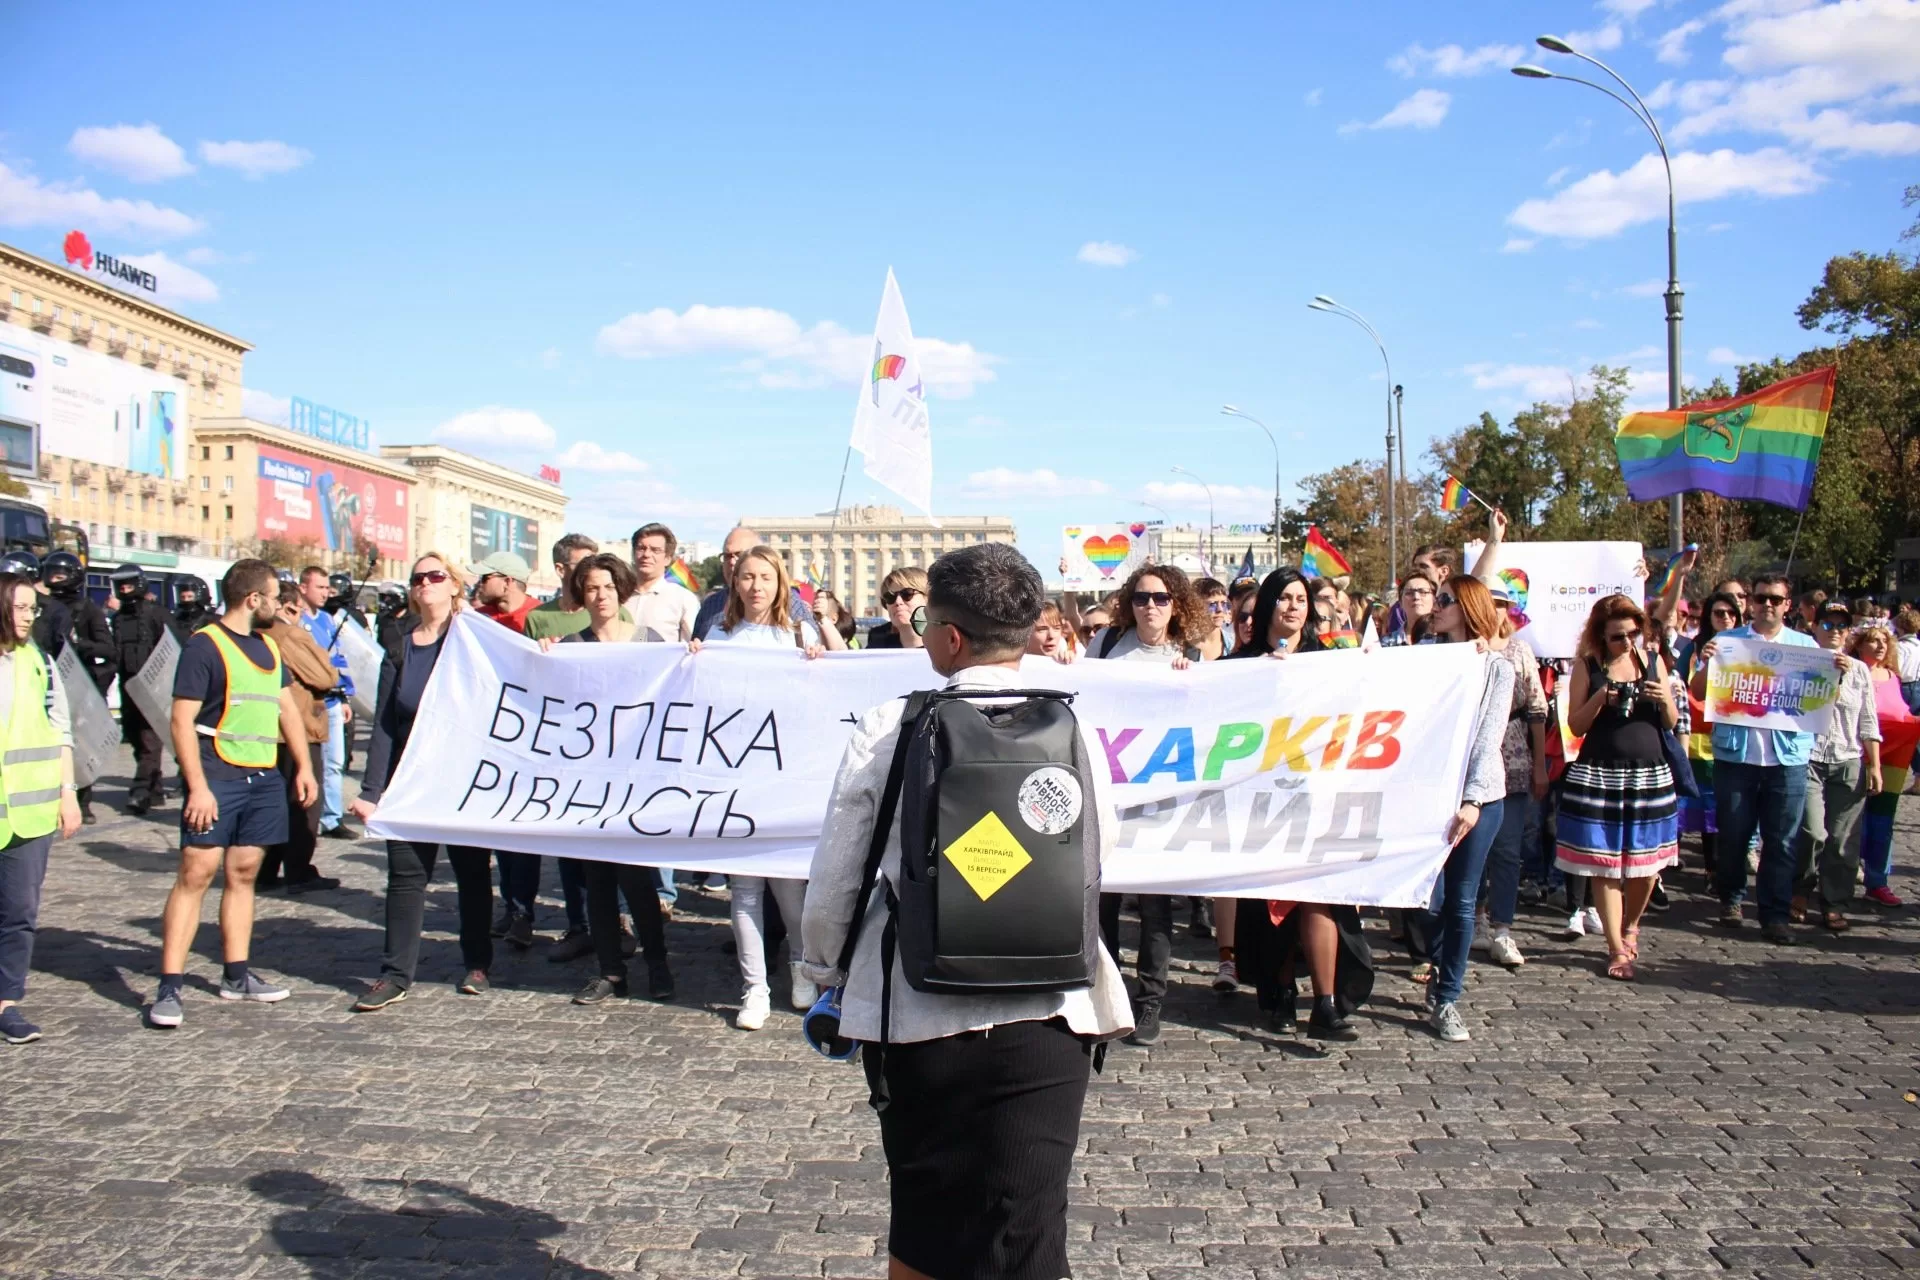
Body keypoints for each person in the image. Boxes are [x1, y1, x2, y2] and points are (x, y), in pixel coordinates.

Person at [799, 542, 1131, 1280]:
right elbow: (1102, 854)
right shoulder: (1073, 724)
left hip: (919, 1007)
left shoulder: (892, 723)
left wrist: (823, 975)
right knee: (1031, 1226)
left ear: (947, 636)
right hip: (1051, 1005)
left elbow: (840, 870)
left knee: (923, 1221)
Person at [147, 560, 318, 1029]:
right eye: (274, 595)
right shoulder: (205, 646)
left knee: (243, 873)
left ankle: (236, 975)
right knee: (196, 873)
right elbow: (181, 721)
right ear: (252, 599)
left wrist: (303, 766)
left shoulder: (268, 645)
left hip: (263, 778)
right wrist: (197, 786)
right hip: (216, 774)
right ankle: (170, 985)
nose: (281, 604)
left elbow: (287, 711)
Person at [1223, 569, 1370, 1038]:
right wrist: (1190, 674)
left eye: (1301, 599)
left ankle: (1325, 1004)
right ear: (1268, 604)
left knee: (1317, 899)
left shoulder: (1326, 661)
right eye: (1284, 598)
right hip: (1260, 800)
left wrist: (1370, 668)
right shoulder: (1237, 664)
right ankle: (1280, 993)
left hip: (1316, 797)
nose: (1293, 607)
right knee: (1273, 906)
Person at [348, 554, 496, 1010]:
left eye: (436, 576)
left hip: (462, 780)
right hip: (411, 780)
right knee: (407, 877)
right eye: (418, 578)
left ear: (454, 585)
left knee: (471, 875)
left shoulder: (474, 639)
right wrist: (372, 792)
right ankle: (395, 974)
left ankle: (477, 963)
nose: (426, 583)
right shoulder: (400, 645)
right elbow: (386, 726)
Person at [690, 545, 823, 1028]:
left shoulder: (796, 632)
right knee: (743, 889)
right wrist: (693, 659)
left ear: (779, 581)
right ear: (735, 583)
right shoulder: (719, 632)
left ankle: (801, 969)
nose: (755, 586)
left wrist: (817, 659)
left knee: (789, 888)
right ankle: (755, 990)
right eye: (747, 576)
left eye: (764, 577)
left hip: (783, 776)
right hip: (734, 775)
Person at [1689, 572, 1848, 944]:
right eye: (1761, 599)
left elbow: (1821, 701)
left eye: (1775, 599)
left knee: (1781, 840)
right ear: (1751, 603)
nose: (1768, 606)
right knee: (1733, 835)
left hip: (1788, 758)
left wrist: (1834, 676)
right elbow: (1698, 692)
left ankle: (1775, 915)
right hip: (1736, 757)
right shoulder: (1727, 641)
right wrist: (1708, 663)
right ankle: (1731, 897)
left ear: (1787, 604)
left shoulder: (1805, 646)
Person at [546, 553, 674, 1004]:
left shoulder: (648, 640)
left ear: (620, 589)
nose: (600, 596)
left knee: (637, 880)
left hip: (635, 778)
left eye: (606, 586)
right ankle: (610, 970)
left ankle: (657, 963)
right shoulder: (571, 645)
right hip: (590, 780)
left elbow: (680, 689)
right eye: (590, 588)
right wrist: (543, 660)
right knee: (596, 881)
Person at [1086, 562, 1205, 1045]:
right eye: (1140, 598)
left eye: (1159, 598)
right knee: (1104, 900)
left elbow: (1214, 714)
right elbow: (1083, 692)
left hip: (1160, 800)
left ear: (1175, 603)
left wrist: (1192, 680)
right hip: (1109, 792)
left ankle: (1150, 999)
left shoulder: (1191, 652)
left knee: (1156, 907)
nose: (1149, 606)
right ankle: (1108, 995)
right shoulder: (1108, 645)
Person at [1557, 595, 1680, 980]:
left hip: (1649, 775)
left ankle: (1630, 926)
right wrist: (1599, 697)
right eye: (1616, 637)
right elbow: (1575, 725)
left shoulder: (1653, 662)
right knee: (1604, 864)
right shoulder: (1587, 666)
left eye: (1632, 633)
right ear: (1600, 636)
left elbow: (1672, 723)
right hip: (1599, 774)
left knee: (1646, 867)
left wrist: (1663, 700)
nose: (1626, 642)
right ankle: (1615, 947)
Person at [1417, 575, 1514, 1041]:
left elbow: (1487, 736)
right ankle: (1435, 962)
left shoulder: (1496, 669)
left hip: (1478, 800)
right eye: (1434, 600)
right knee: (1425, 898)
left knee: (1460, 900)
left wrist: (1472, 799)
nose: (1434, 607)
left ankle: (1447, 994)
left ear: (1467, 607)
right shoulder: (1426, 660)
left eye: (1444, 601)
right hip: (1424, 795)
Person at [0, 572, 85, 1044]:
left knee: (18, 911)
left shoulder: (41, 664)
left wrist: (67, 792)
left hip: (29, 811)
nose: (29, 617)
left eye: (33, 608)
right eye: (19, 607)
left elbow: (60, 731)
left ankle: (7, 1001)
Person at [1475, 582, 1549, 969]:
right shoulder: (1465, 650)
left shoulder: (1520, 652)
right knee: (1472, 850)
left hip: (1515, 756)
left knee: (1506, 849)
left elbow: (1537, 709)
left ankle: (1502, 926)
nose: (1496, 610)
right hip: (1471, 758)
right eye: (1489, 603)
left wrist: (1539, 764)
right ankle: (1474, 918)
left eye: (1502, 603)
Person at [469, 550, 544, 936]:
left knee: (522, 830)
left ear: (507, 582)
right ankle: (511, 906)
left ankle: (522, 910)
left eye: (485, 578)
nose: (479, 585)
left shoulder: (538, 619)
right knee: (498, 827)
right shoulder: (477, 621)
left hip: (529, 736)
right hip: (489, 735)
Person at [1794, 604, 1881, 931]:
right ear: (1815, 628)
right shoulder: (1801, 661)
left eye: (1841, 626)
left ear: (1849, 632)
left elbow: (1868, 720)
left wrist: (1875, 764)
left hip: (1847, 757)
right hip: (1809, 756)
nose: (1834, 630)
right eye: (1827, 624)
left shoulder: (1859, 670)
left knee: (1843, 838)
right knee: (1812, 831)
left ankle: (1835, 901)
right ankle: (1800, 888)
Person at [255, 580, 341, 894]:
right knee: (304, 804)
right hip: (298, 728)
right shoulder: (288, 633)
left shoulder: (256, 633)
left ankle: (264, 869)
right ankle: (299, 870)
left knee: (274, 803)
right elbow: (325, 675)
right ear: (291, 606)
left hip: (265, 730)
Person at [1674, 591, 1742, 879]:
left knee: (1722, 809)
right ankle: (1672, 862)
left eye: (1730, 612)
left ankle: (1718, 870)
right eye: (1718, 613)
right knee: (1692, 802)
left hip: (1733, 739)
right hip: (1695, 738)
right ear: (1708, 617)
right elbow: (1678, 682)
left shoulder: (1750, 646)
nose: (1724, 617)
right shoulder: (1694, 648)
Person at [42, 554, 110, 824]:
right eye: (50, 575)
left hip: (78, 685)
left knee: (79, 746)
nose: (53, 581)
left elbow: (107, 648)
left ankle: (84, 799)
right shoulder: (43, 608)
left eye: (59, 576)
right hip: (49, 682)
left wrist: (79, 646)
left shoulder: (88, 610)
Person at [1850, 621, 1910, 908]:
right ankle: (1845, 873)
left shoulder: (1893, 677)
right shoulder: (1849, 672)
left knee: (1882, 821)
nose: (1880, 645)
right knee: (1850, 820)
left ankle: (1877, 881)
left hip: (1894, 760)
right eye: (1873, 640)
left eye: (1884, 640)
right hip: (1857, 756)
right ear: (1859, 645)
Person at [692, 525, 832, 645]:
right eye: (727, 556)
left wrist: (816, 651)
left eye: (739, 555)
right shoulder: (711, 607)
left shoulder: (794, 611)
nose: (732, 562)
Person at [110, 563, 176, 815]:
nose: (125, 589)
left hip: (154, 689)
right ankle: (156, 789)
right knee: (135, 738)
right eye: (121, 585)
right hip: (128, 688)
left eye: (129, 584)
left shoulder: (156, 614)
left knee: (150, 741)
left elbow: (174, 646)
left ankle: (139, 791)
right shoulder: (117, 619)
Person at [295, 566, 356, 840]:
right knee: (309, 763)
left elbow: (338, 659)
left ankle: (332, 818)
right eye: (319, 587)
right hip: (307, 702)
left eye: (327, 587)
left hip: (331, 700)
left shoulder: (328, 621)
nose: (326, 592)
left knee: (334, 763)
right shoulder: (295, 621)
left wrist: (343, 695)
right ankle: (306, 814)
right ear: (303, 588)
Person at [524, 533, 630, 643]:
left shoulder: (614, 611)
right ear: (560, 570)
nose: (592, 570)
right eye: (583, 564)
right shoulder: (537, 618)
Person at [628, 523, 701, 644]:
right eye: (641, 548)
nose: (646, 555)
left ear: (667, 558)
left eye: (655, 550)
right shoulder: (618, 595)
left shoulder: (683, 599)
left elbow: (692, 646)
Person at [471, 551, 536, 634]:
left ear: (507, 582)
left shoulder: (542, 617)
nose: (480, 583)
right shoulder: (479, 617)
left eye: (484, 578)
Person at [865, 566, 928, 650]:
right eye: (890, 597)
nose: (898, 602)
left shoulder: (946, 650)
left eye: (907, 594)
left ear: (928, 599)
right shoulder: (876, 649)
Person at [1382, 572, 1437, 647]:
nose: (1416, 597)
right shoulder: (1385, 644)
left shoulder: (1446, 640)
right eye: (1409, 593)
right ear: (1400, 602)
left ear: (1434, 599)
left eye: (1423, 592)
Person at [1895, 609, 1920, 713]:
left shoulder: (1900, 646)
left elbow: (1897, 669)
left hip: (1903, 686)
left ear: (1900, 628)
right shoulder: (1919, 644)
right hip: (1918, 684)